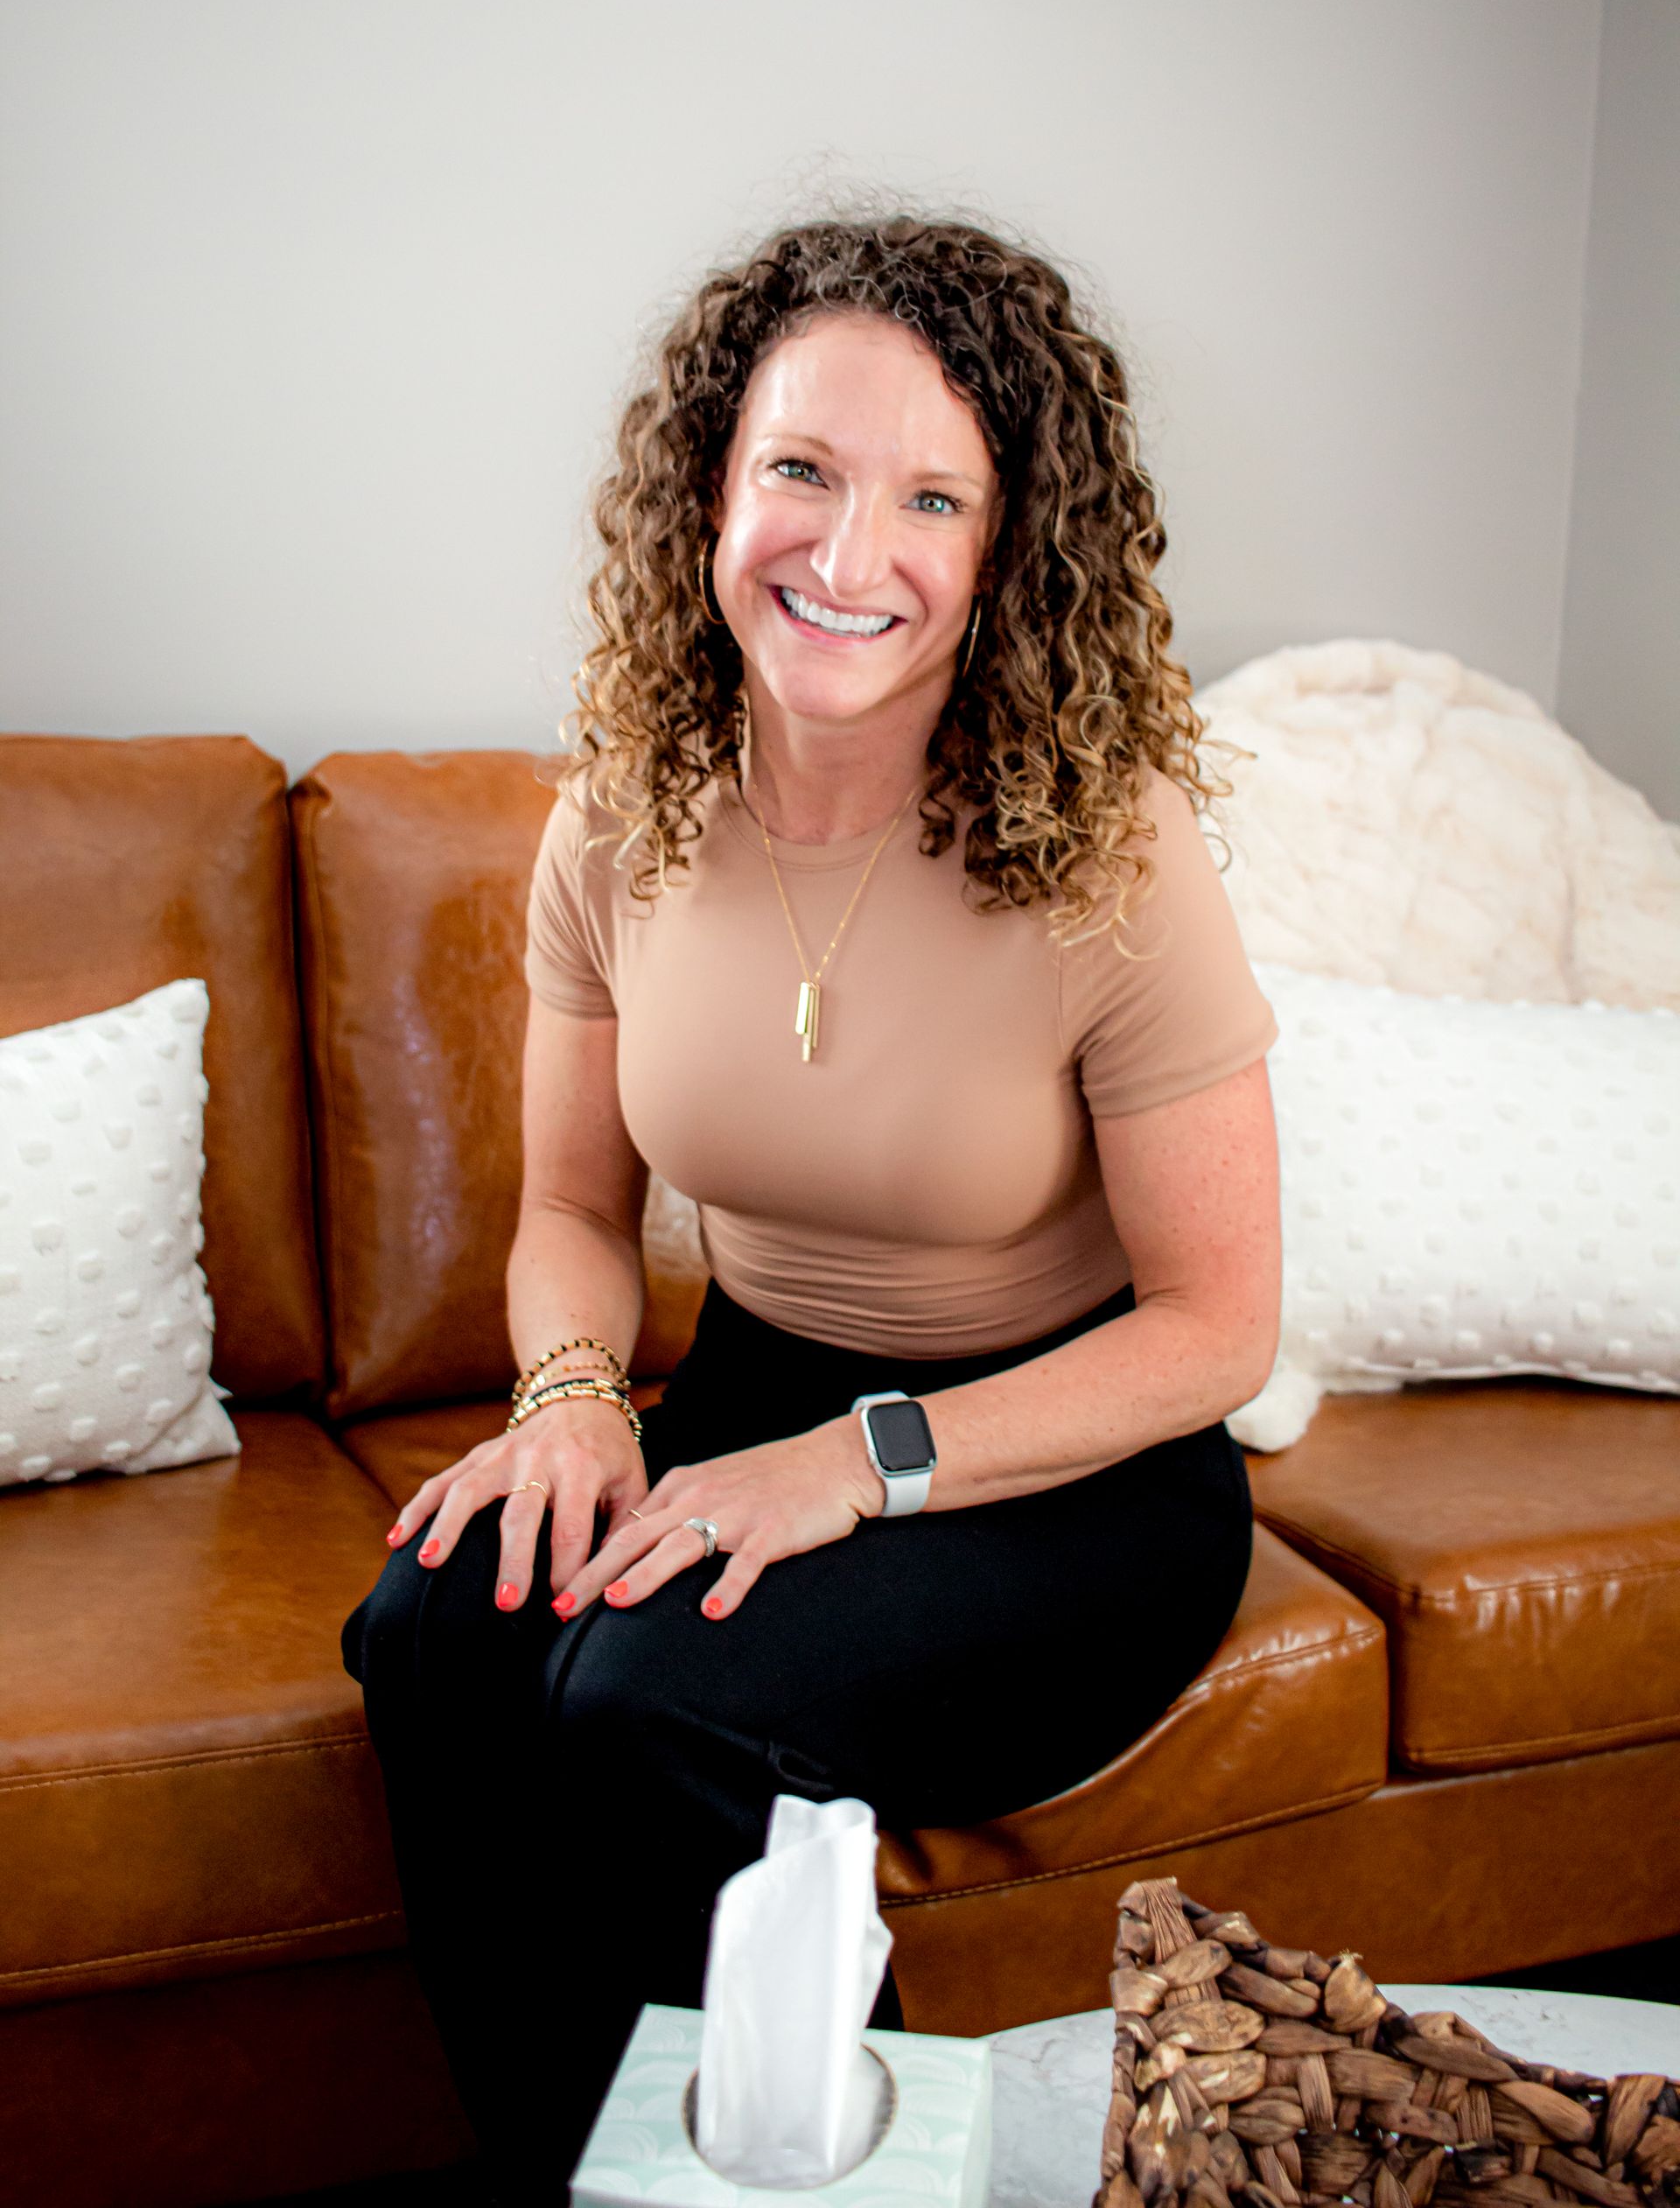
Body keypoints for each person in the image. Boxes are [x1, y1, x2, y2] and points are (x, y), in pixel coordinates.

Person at [341, 212, 1282, 2203]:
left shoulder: (1115, 849)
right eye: (803, 470)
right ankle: (579, 2173)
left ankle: (866, 2180)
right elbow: (575, 1214)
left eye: (931, 497)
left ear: (1007, 548)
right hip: (754, 1396)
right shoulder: (615, 811)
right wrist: (576, 1399)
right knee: (436, 1623)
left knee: (644, 1697)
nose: (850, 560)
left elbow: (1219, 1328)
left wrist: (858, 1468)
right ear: (712, 482)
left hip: (1072, 1466)